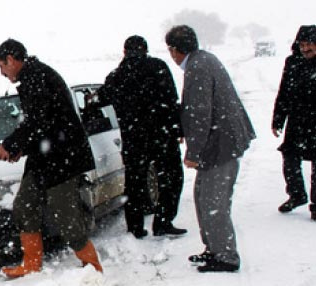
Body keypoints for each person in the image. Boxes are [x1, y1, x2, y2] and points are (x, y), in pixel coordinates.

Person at [0, 38, 103, 278]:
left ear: (11, 60)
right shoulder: (33, 77)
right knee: (24, 206)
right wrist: (21, 149)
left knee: (66, 218)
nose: (2, 72)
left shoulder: (37, 77)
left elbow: (39, 122)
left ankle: (93, 269)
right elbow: (42, 125)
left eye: (2, 66)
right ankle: (31, 264)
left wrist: (10, 144)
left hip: (62, 159)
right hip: (44, 157)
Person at [165, 25, 256, 272]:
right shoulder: (204, 60)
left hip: (220, 144)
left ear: (174, 50)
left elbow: (199, 113)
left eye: (171, 50)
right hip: (219, 141)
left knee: (213, 202)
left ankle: (226, 257)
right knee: (203, 197)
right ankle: (213, 248)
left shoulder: (197, 67)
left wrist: (193, 152)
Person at [92, 35, 186, 239]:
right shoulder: (158, 67)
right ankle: (163, 221)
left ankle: (135, 227)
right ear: (145, 50)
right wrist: (178, 129)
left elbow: (99, 101)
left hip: (133, 139)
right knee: (170, 180)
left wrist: (90, 107)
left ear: (125, 52)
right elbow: (171, 100)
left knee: (134, 184)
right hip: (161, 135)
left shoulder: (116, 75)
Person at [272, 25, 316, 219]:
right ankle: (297, 195)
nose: (305, 49)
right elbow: (284, 92)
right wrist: (278, 119)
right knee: (290, 156)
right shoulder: (292, 62)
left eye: (309, 45)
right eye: (302, 45)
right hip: (297, 118)